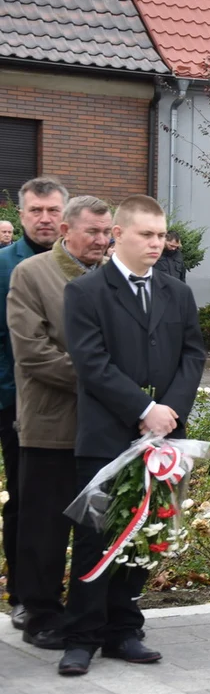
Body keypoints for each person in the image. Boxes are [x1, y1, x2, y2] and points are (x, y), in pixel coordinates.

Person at [59, 195, 205, 676]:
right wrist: (143, 408)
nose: (157, 244)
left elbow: (191, 356)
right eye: (147, 235)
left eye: (161, 236)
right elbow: (91, 361)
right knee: (96, 539)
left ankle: (125, 629)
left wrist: (169, 411)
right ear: (117, 234)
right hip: (107, 434)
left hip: (162, 438)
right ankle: (81, 636)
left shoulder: (176, 292)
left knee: (146, 532)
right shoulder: (87, 292)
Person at [7, 196, 111, 650]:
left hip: (105, 429)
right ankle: (40, 612)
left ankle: (93, 611)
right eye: (93, 232)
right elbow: (32, 352)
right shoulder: (31, 275)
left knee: (99, 527)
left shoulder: (112, 276)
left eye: (108, 232)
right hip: (52, 424)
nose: (102, 241)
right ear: (66, 230)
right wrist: (106, 383)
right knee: (44, 528)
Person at [0, 176, 68, 631]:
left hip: (69, 403)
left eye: (51, 211)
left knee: (59, 501)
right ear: (20, 216)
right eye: (35, 211)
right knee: (25, 498)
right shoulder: (5, 265)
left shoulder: (83, 261)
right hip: (12, 399)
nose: (44, 219)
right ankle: (24, 594)